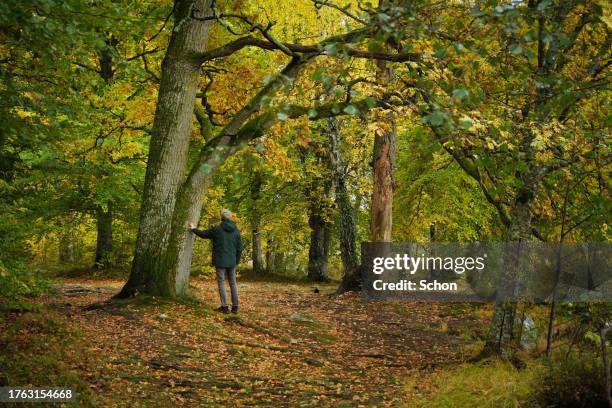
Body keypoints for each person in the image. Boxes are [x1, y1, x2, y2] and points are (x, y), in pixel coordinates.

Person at [189, 209, 242, 314]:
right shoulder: (236, 231)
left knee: (221, 283)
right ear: (231, 218)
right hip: (232, 261)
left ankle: (225, 307)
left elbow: (203, 234)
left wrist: (194, 229)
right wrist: (236, 261)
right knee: (233, 283)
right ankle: (235, 308)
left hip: (220, 261)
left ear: (221, 218)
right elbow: (239, 248)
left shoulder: (217, 229)